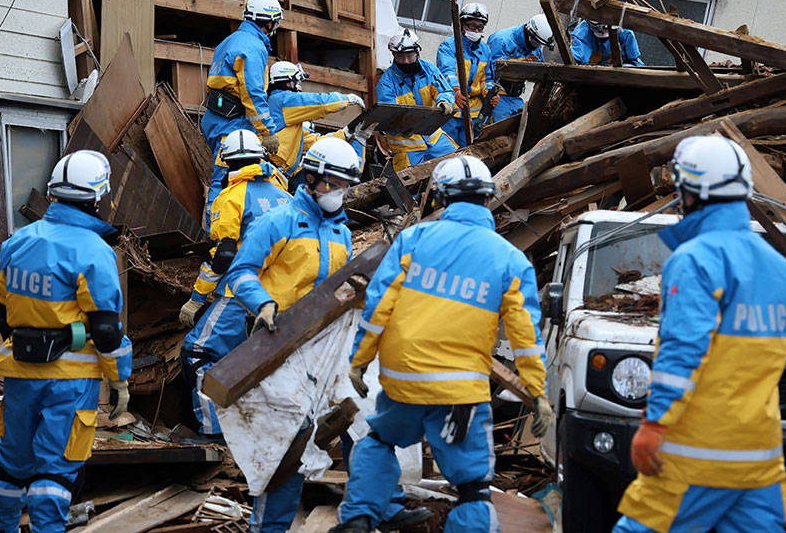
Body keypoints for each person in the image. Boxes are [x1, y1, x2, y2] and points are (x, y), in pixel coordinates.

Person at [330, 154, 554, 533]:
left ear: (440, 199)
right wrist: (538, 393)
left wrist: (358, 361)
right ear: (488, 200)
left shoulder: (413, 240)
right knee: (472, 487)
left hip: (404, 378)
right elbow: (526, 337)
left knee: (381, 440)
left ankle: (358, 520)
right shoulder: (510, 260)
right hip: (460, 391)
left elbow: (379, 306)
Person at [223, 139, 426, 532]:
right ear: (311, 175)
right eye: (334, 182)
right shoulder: (278, 221)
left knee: (360, 415)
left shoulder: (340, 230)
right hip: (278, 346)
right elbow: (241, 271)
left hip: (325, 345)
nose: (339, 192)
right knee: (289, 442)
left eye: (346, 184)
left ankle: (382, 506)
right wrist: (262, 303)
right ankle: (269, 529)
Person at [613, 135, 786, 533]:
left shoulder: (695, 259)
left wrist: (655, 424)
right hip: (758, 458)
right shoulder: (777, 264)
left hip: (696, 453)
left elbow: (683, 350)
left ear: (690, 191)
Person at [0, 150, 133, 533]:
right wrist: (119, 379)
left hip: (20, 377)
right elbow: (105, 330)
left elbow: (3, 318)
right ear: (97, 198)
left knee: (10, 468)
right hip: (68, 383)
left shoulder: (16, 243)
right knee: (54, 473)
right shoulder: (93, 251)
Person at [179, 129, 293, 437]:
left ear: (226, 162)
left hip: (238, 294)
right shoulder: (287, 196)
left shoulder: (230, 197)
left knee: (197, 353)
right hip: (280, 297)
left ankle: (212, 433)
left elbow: (224, 256)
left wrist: (196, 298)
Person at [203, 0, 283, 174]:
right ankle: (216, 204)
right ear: (269, 22)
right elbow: (253, 93)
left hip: (216, 118)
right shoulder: (254, 47)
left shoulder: (229, 41)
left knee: (232, 174)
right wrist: (268, 131)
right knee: (227, 177)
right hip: (232, 123)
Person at [265, 61, 371, 189]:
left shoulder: (288, 120)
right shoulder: (281, 100)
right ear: (289, 81)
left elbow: (314, 142)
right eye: (298, 81)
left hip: (280, 174)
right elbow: (318, 103)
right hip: (273, 173)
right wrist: (346, 99)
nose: (299, 86)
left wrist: (344, 133)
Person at [378, 30, 459, 170]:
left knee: (457, 165)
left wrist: (444, 101)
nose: (406, 61)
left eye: (410, 56)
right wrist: (400, 127)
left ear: (417, 52)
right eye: (400, 57)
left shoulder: (429, 69)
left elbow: (444, 90)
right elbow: (388, 116)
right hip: (406, 145)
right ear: (393, 55)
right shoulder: (386, 83)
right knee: (408, 185)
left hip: (433, 137)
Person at [436, 3, 498, 144]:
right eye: (472, 26)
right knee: (447, 149)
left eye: (480, 27)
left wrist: (489, 93)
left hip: (473, 113)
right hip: (451, 109)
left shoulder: (485, 50)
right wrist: (456, 90)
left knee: (468, 150)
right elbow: (447, 71)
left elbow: (488, 78)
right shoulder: (449, 46)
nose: (476, 31)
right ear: (462, 24)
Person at [486, 14, 553, 121]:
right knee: (498, 130)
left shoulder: (535, 46)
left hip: (515, 97)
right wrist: (521, 64)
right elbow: (493, 70)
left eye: (540, 44)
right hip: (497, 96)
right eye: (536, 42)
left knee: (521, 124)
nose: (537, 46)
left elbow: (541, 69)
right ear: (529, 33)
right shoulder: (502, 40)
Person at [570, 18, 645, 67]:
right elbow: (576, 63)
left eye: (605, 29)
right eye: (598, 30)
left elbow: (633, 60)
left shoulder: (625, 32)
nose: (602, 33)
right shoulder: (581, 34)